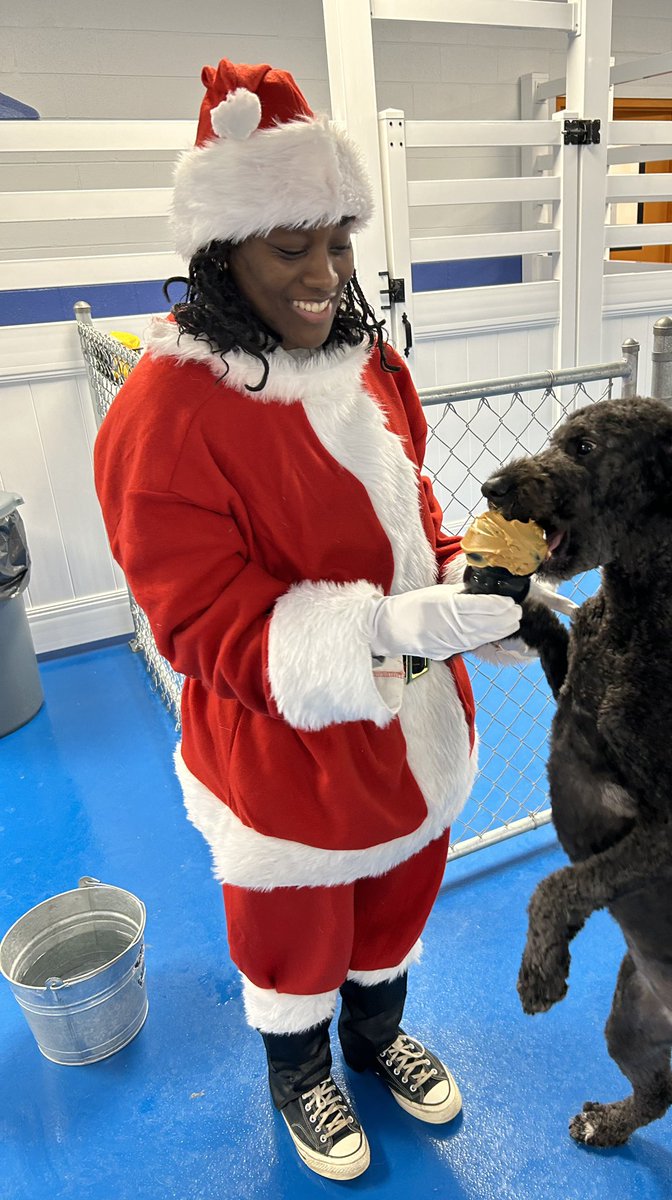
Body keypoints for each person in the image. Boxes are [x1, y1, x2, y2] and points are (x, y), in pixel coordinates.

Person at [93, 60, 525, 1182]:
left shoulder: (370, 364)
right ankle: (300, 1073)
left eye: (338, 243)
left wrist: (474, 595)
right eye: (292, 247)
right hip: (281, 743)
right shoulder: (164, 414)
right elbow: (198, 621)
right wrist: (382, 631)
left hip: (415, 721)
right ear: (222, 248)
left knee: (397, 898)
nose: (326, 275)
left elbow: (417, 515)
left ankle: (376, 1043)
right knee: (296, 929)